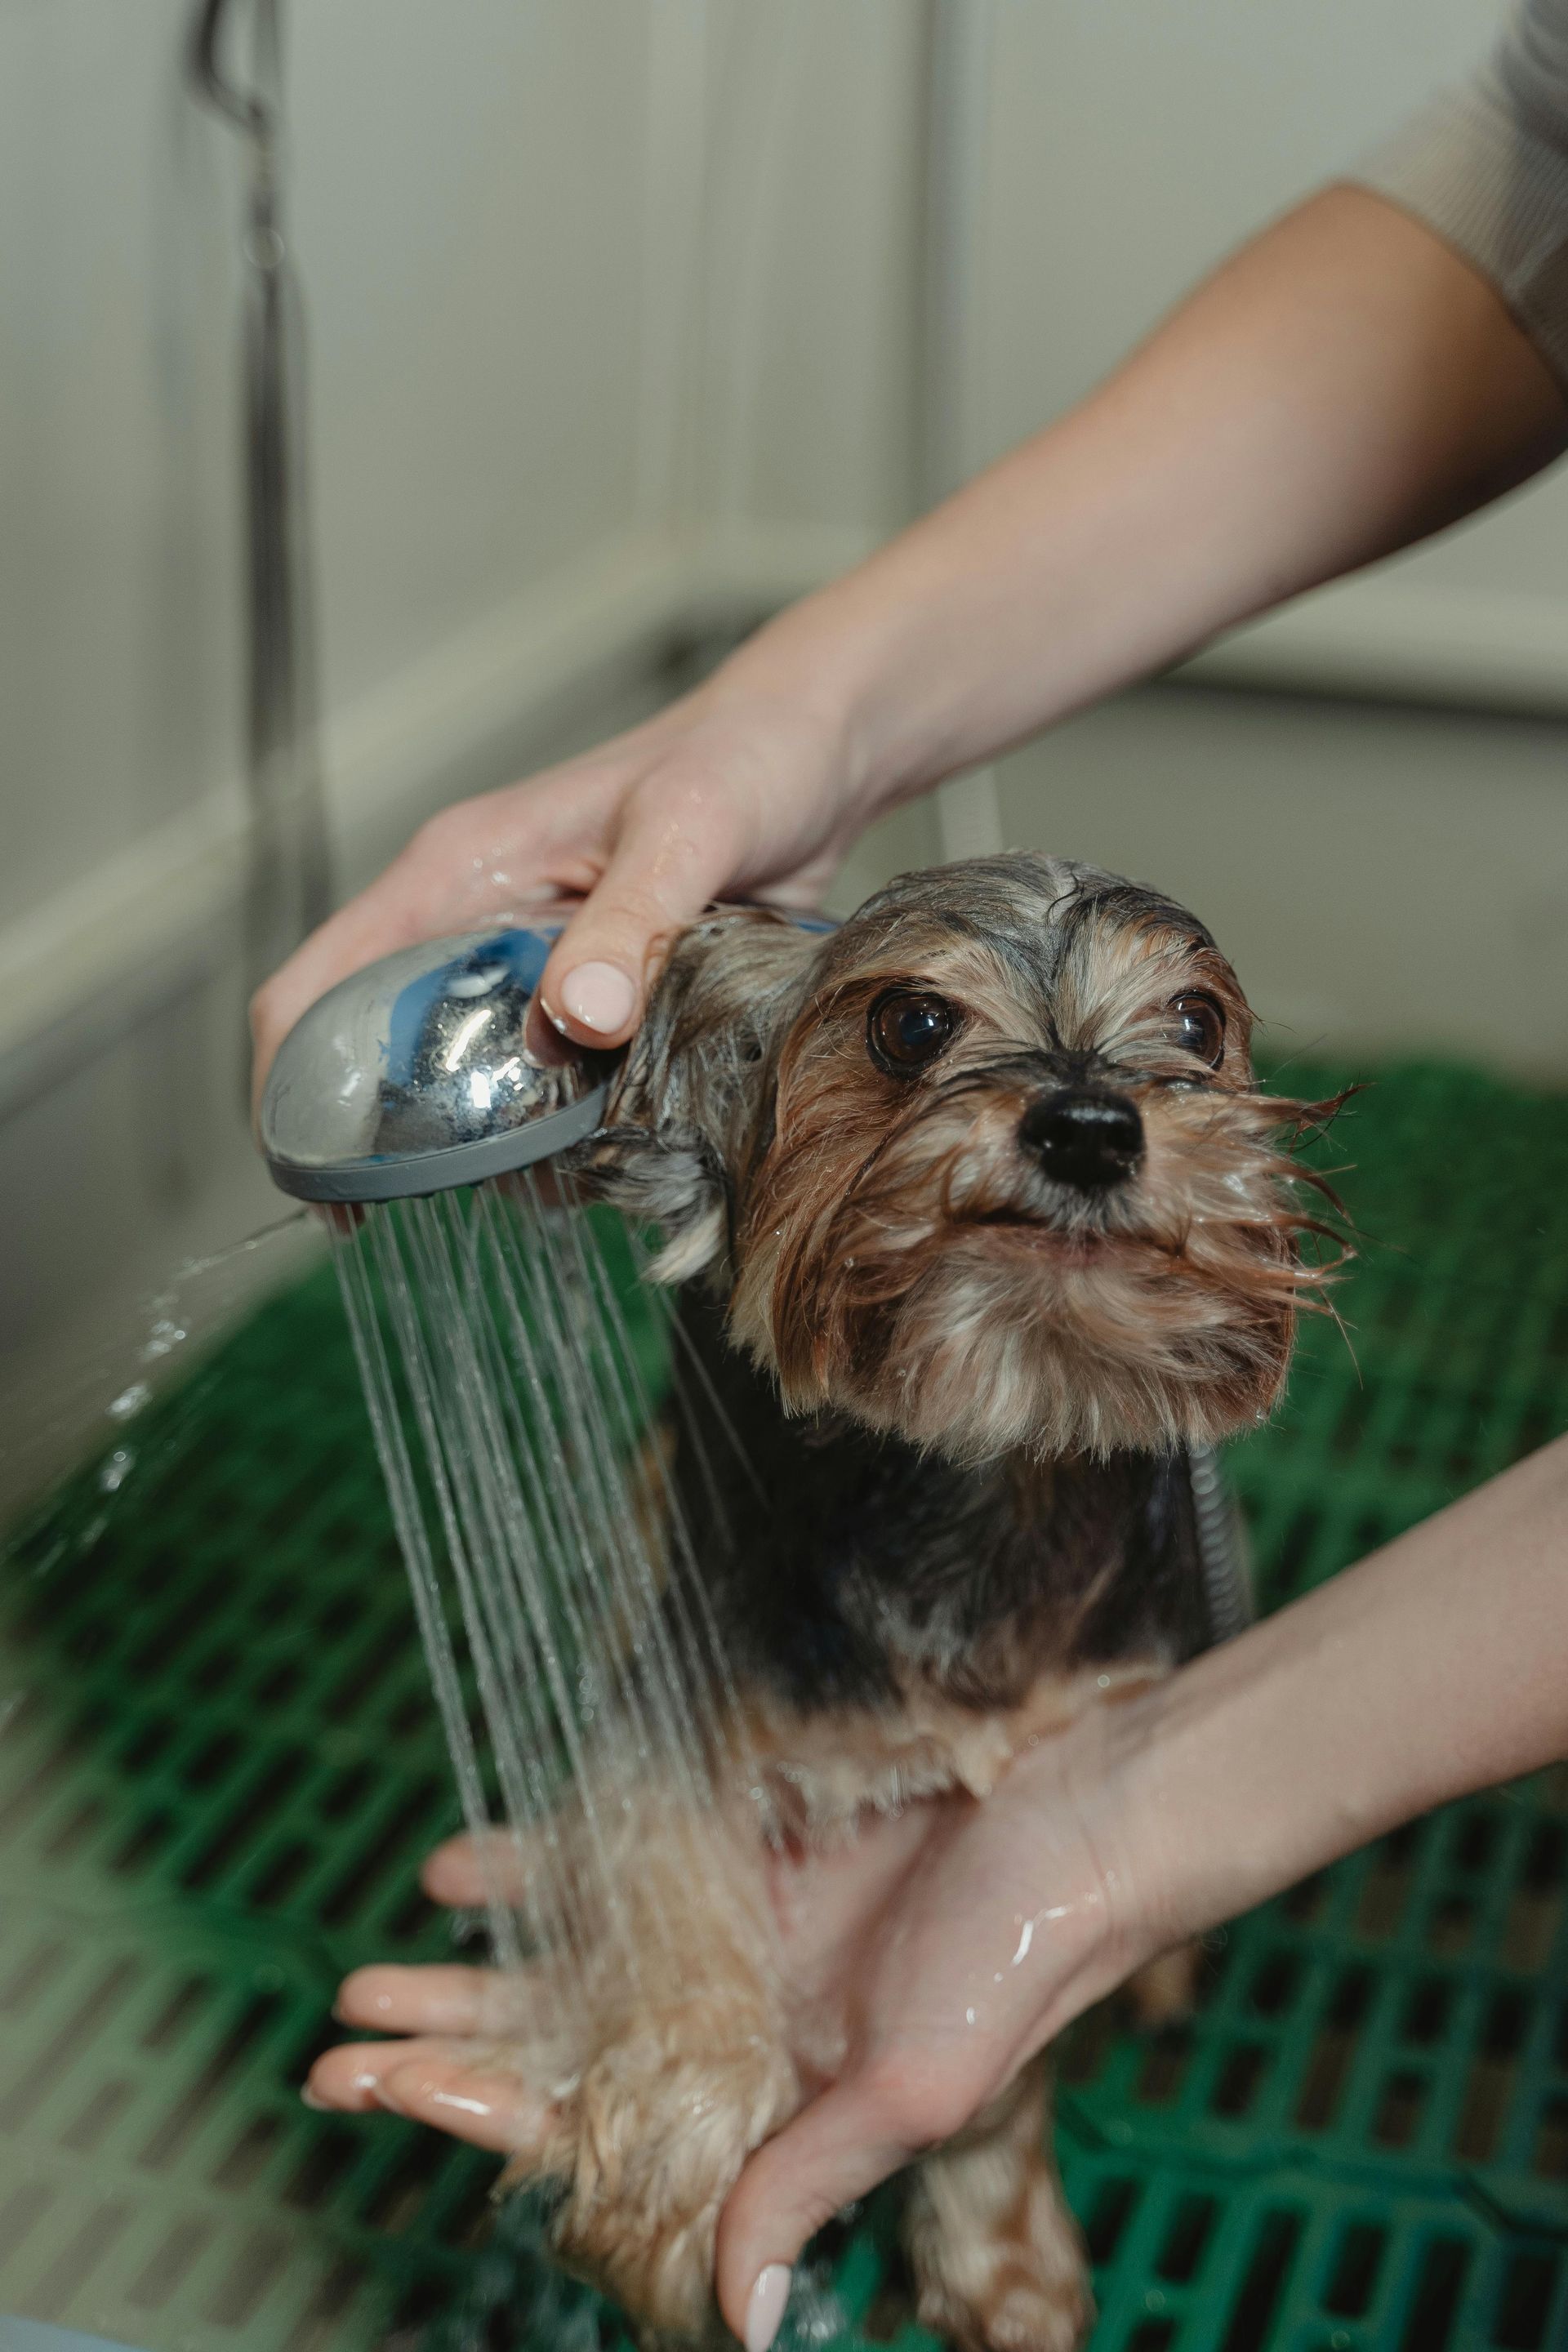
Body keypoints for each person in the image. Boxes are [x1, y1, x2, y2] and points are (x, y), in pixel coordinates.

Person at [274, 8, 1568, 2346]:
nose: (1086, 1102)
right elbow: (1519, 215)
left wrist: (1120, 1841)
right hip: (812, 1570)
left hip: (1080, 1614)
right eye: (922, 1041)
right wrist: (793, 724)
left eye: (1183, 1043)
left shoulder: (1170, 1526)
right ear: (738, 1114)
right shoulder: (726, 1249)